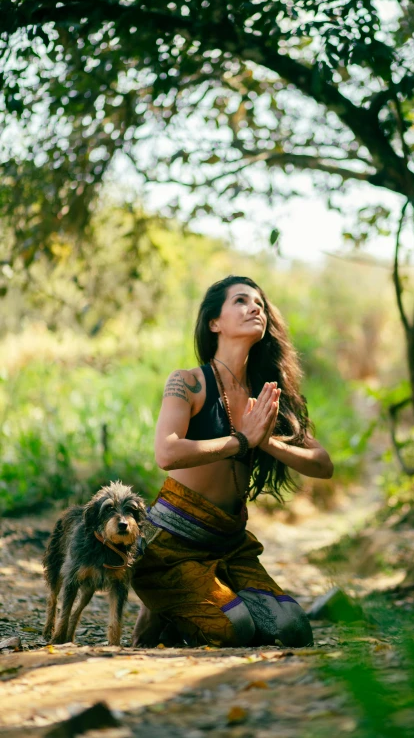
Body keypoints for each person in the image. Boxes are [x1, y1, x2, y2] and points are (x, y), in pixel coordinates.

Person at [132, 275, 334, 648]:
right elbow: (167, 452)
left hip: (229, 543)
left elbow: (322, 464)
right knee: (235, 629)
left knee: (292, 629)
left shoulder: (269, 393)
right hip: (172, 542)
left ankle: (190, 605)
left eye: (259, 302)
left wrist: (266, 440)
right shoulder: (189, 382)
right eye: (241, 301)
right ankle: (168, 602)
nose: (254, 307)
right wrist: (241, 440)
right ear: (215, 323)